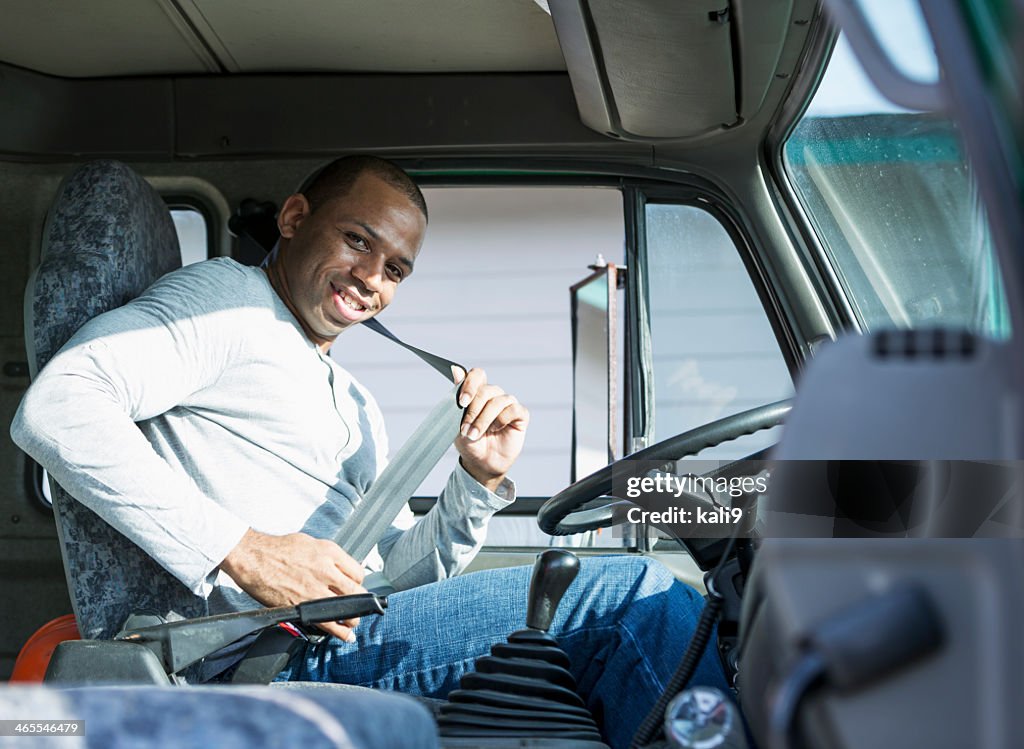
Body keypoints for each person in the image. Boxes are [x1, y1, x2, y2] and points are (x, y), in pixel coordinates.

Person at [11, 155, 727, 749]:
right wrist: (247, 549)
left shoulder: (351, 400)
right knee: (630, 596)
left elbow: (387, 581)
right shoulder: (224, 302)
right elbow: (57, 407)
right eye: (358, 241)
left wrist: (475, 482)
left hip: (324, 637)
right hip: (250, 657)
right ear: (294, 220)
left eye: (395, 269)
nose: (372, 279)